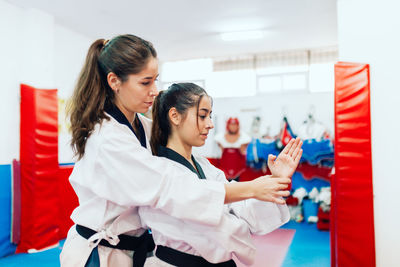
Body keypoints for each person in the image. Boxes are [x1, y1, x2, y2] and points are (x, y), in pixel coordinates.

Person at [59, 34, 297, 267]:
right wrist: (253, 188)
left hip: (132, 248)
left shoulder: (144, 128)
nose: (154, 90)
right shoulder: (107, 138)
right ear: (114, 81)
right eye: (145, 82)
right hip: (100, 252)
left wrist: (274, 182)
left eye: (155, 80)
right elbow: (168, 186)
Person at [140, 83, 303, 266]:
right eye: (202, 116)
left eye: (209, 116)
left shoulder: (204, 166)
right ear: (175, 116)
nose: (210, 124)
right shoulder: (160, 170)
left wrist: (278, 179)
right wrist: (253, 189)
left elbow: (240, 208)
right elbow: (217, 224)